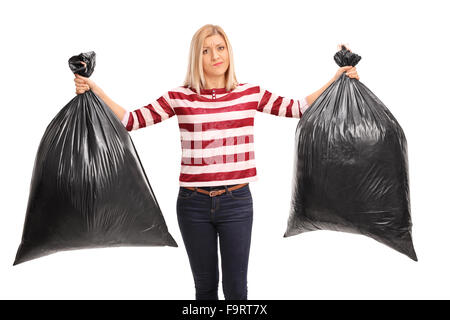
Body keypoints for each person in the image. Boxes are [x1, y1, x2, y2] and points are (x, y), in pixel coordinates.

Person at [74, 24, 359, 300]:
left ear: (229, 52)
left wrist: (337, 79)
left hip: (236, 202)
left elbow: (298, 108)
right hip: (192, 204)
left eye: (220, 48)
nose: (215, 56)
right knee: (205, 290)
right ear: (196, 57)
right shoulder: (179, 97)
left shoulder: (250, 93)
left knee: (236, 291)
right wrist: (95, 91)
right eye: (206, 51)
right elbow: (130, 121)